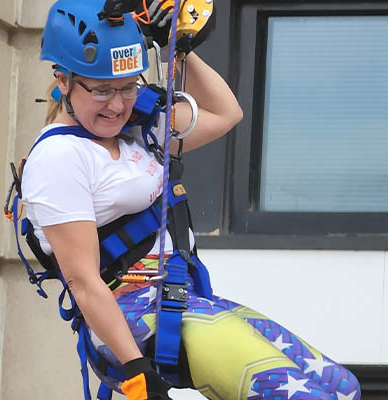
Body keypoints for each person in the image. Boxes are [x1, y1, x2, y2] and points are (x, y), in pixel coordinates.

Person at [20, 0, 361, 399]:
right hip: (132, 315)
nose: (116, 104)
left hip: (182, 299)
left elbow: (226, 113)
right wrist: (137, 372)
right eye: (101, 90)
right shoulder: (60, 158)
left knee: (341, 387)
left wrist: (179, 48)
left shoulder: (136, 131)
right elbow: (82, 280)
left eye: (129, 86)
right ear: (63, 81)